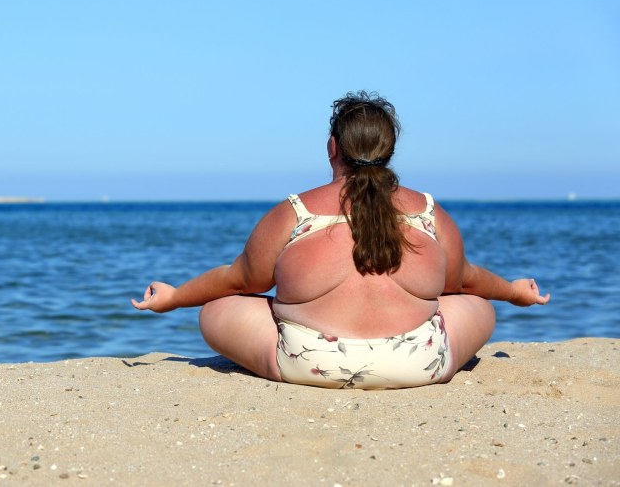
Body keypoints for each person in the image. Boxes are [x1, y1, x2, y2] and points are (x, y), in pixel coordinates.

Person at [131, 91, 550, 389]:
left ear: (332, 146)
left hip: (310, 363)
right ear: (389, 151)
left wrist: (176, 297)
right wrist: (513, 291)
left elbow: (241, 281)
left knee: (216, 309)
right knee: (476, 304)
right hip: (418, 364)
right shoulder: (427, 211)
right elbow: (465, 280)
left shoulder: (296, 212)